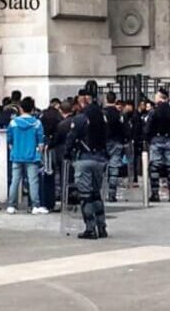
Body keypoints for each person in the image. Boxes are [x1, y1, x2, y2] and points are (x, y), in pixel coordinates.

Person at [62, 88, 108, 239]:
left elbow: (71, 138)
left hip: (85, 157)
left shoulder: (81, 118)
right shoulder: (102, 117)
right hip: (100, 158)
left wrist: (67, 154)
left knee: (85, 195)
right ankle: (102, 226)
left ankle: (90, 227)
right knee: (96, 193)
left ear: (83, 100)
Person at [6, 97, 49, 215]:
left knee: (15, 180)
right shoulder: (37, 123)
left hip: (17, 155)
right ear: (33, 108)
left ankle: (11, 205)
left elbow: (9, 139)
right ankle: (35, 205)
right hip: (32, 156)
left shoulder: (13, 122)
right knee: (33, 181)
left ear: (20, 108)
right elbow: (40, 142)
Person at [144, 88, 170, 202]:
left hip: (156, 140)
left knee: (155, 167)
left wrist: (148, 138)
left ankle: (155, 194)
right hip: (169, 140)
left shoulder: (154, 111)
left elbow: (148, 127)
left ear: (160, 97)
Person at [39, 98, 62, 211]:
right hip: (53, 147)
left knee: (45, 172)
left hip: (43, 146)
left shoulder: (42, 115)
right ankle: (54, 197)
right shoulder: (57, 116)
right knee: (54, 172)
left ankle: (45, 200)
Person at [103, 92, 125, 202]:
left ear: (106, 99)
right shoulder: (119, 114)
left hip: (104, 141)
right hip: (117, 141)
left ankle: (101, 192)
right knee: (114, 168)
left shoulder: (103, 113)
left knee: (102, 167)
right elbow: (124, 129)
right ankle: (112, 193)